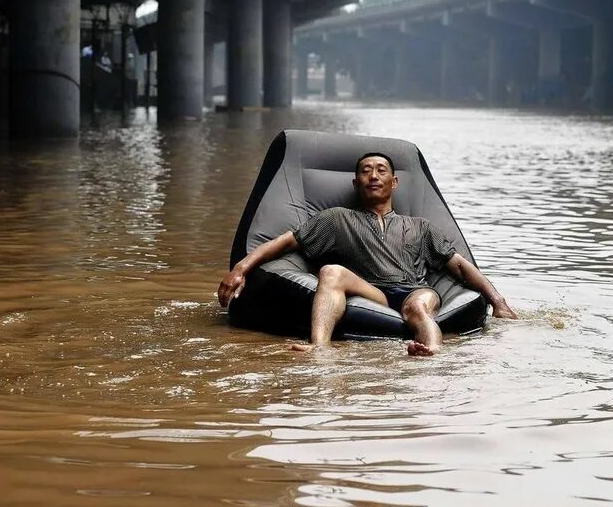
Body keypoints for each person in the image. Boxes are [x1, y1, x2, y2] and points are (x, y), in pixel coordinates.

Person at [217, 152, 518, 356]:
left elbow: (461, 268)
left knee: (417, 308)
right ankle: (320, 349)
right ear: (356, 182)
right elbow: (284, 242)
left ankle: (431, 353)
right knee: (330, 272)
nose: (373, 176)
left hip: (417, 290)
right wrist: (241, 269)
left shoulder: (421, 226)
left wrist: (498, 302)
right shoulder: (336, 219)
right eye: (365, 171)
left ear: (394, 182)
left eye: (381, 170)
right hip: (374, 293)